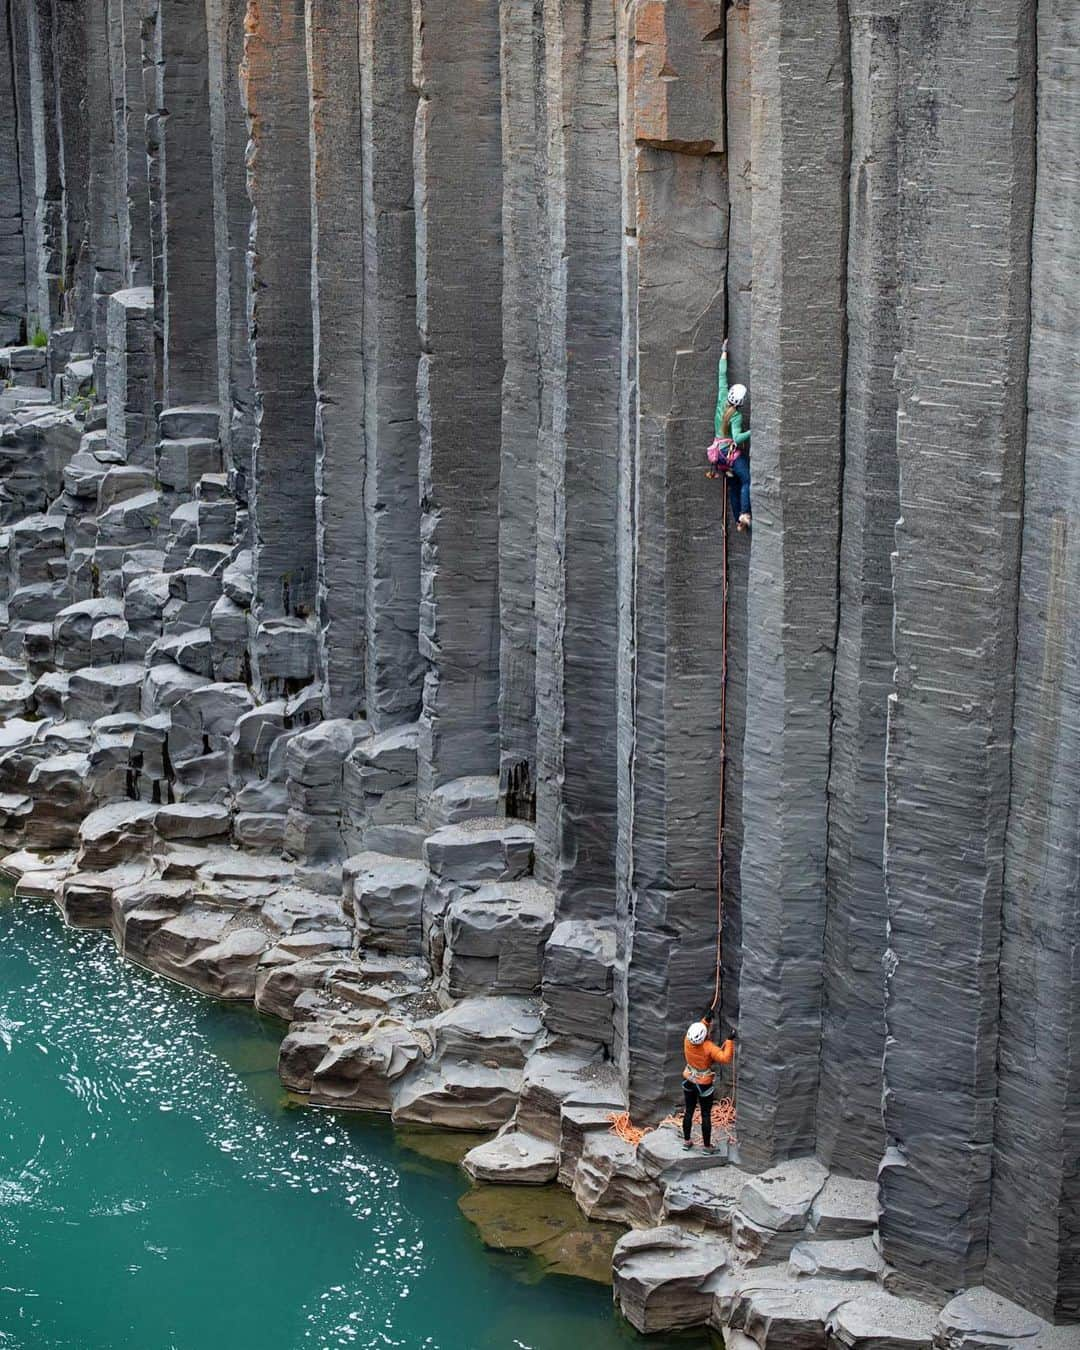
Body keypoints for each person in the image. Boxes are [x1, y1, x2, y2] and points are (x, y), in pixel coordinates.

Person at [705, 338, 752, 532]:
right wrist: (753, 430)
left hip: (718, 457)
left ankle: (736, 521)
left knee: (733, 485)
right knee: (747, 480)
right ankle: (744, 514)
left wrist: (723, 352)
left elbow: (722, 376)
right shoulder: (736, 417)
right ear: (741, 402)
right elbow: (737, 438)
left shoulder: (722, 398)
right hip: (730, 456)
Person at [682, 1014, 735, 1153]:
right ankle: (706, 1147)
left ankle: (686, 1141)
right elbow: (725, 1058)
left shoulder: (687, 1041)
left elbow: (699, 1031)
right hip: (703, 1083)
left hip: (689, 1079)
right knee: (705, 1114)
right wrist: (729, 1041)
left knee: (688, 1111)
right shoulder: (709, 1047)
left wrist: (706, 1019)